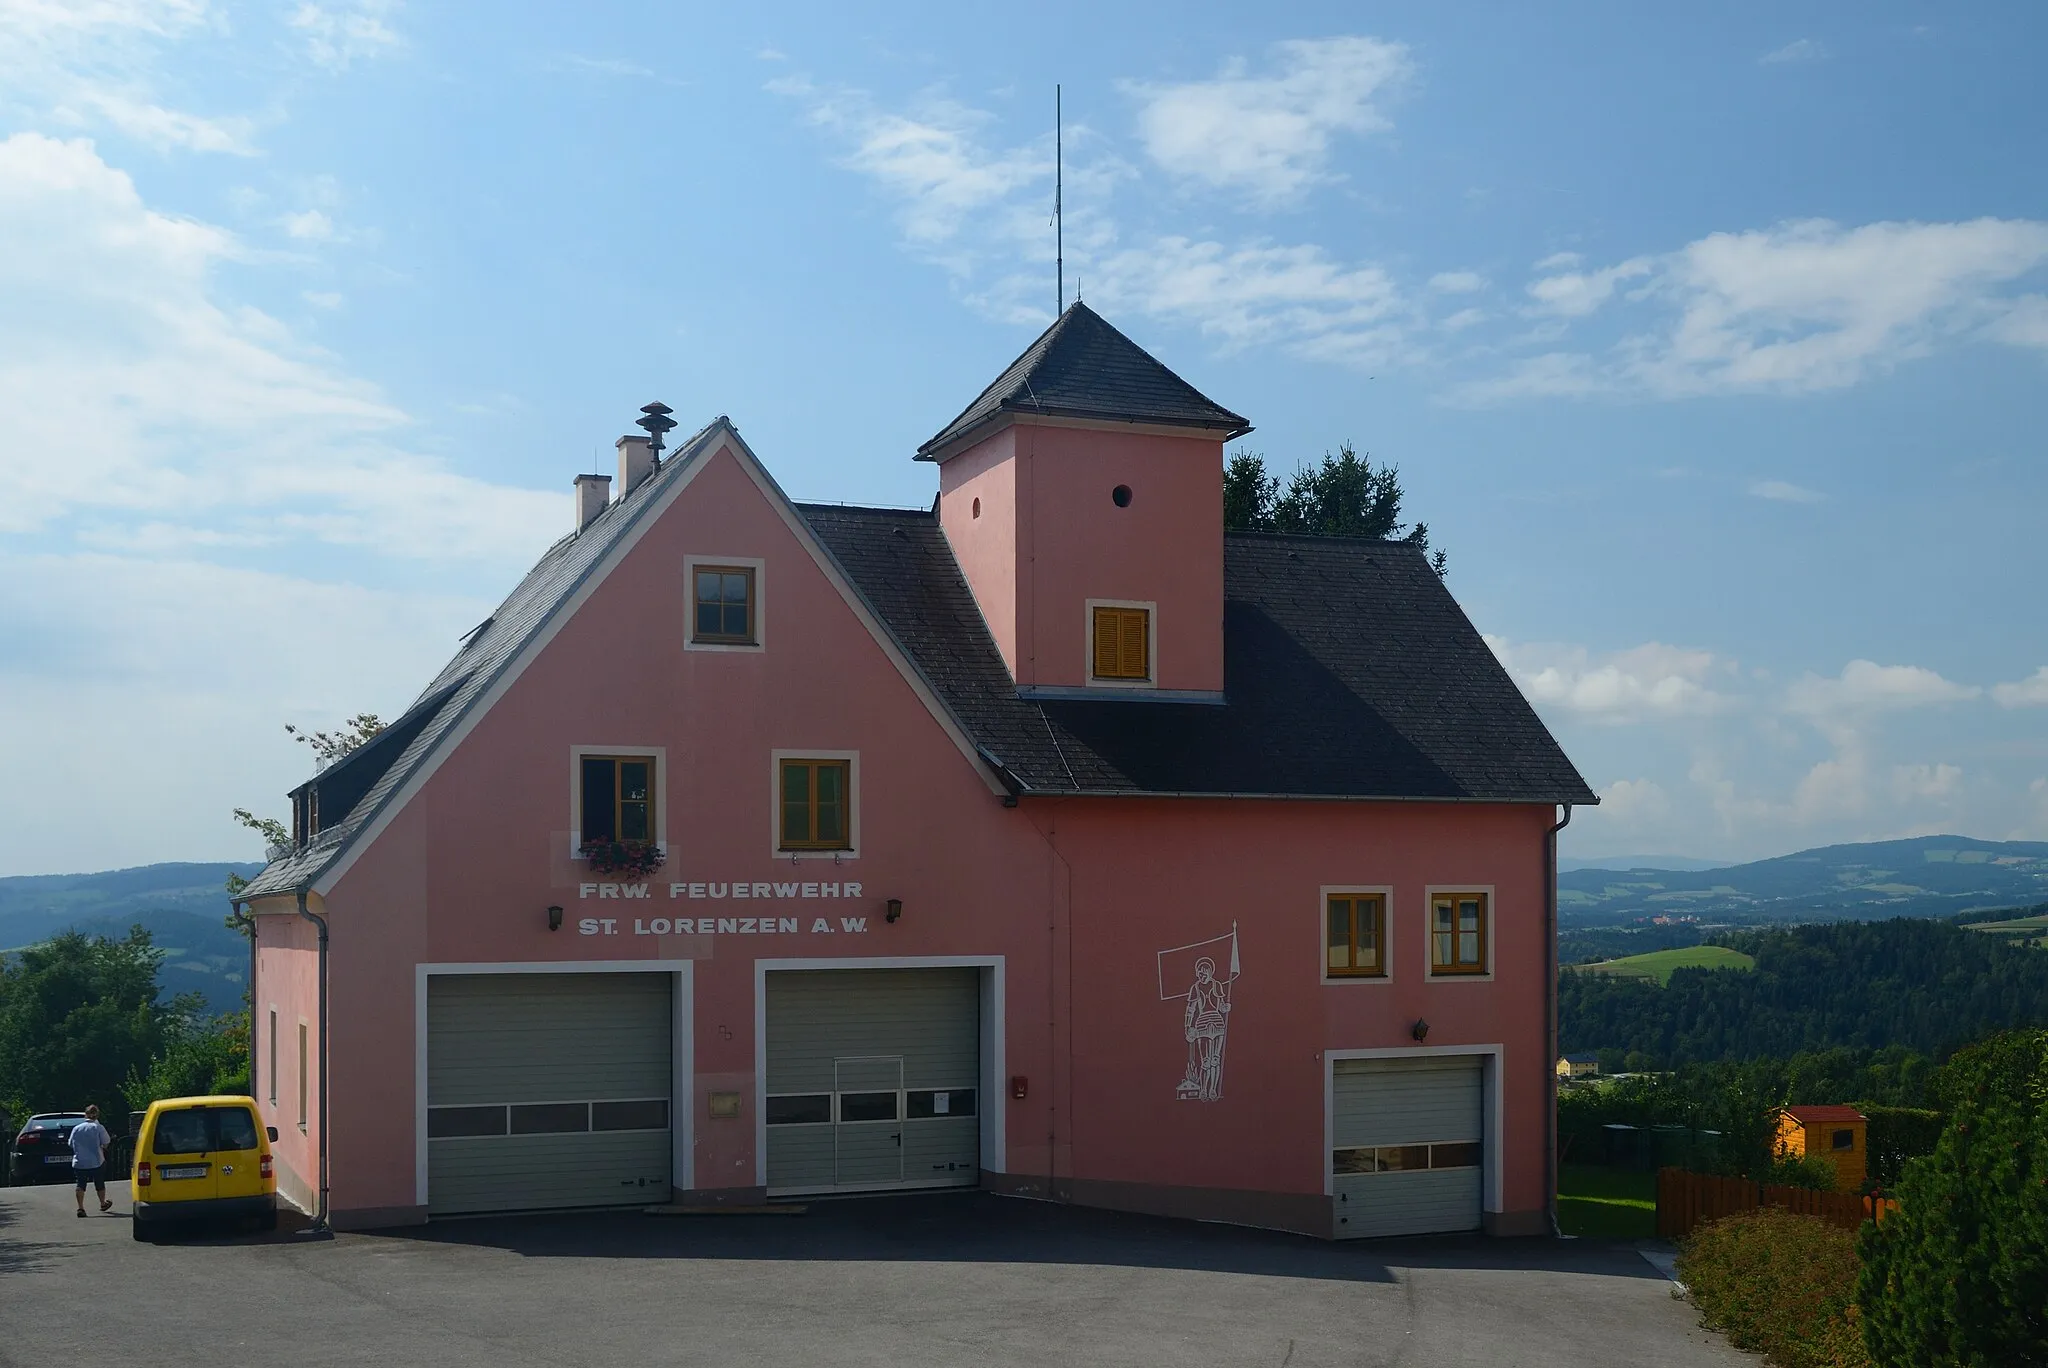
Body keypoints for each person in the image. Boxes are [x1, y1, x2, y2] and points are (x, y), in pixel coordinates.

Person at [70, 1104, 113, 1217]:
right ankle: (102, 1203)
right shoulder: (98, 1127)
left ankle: (80, 1207)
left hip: (79, 1162)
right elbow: (106, 1142)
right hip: (96, 1161)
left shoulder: (76, 1128)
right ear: (97, 1115)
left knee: (80, 1184)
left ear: (85, 1114)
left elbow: (70, 1143)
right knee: (99, 1183)